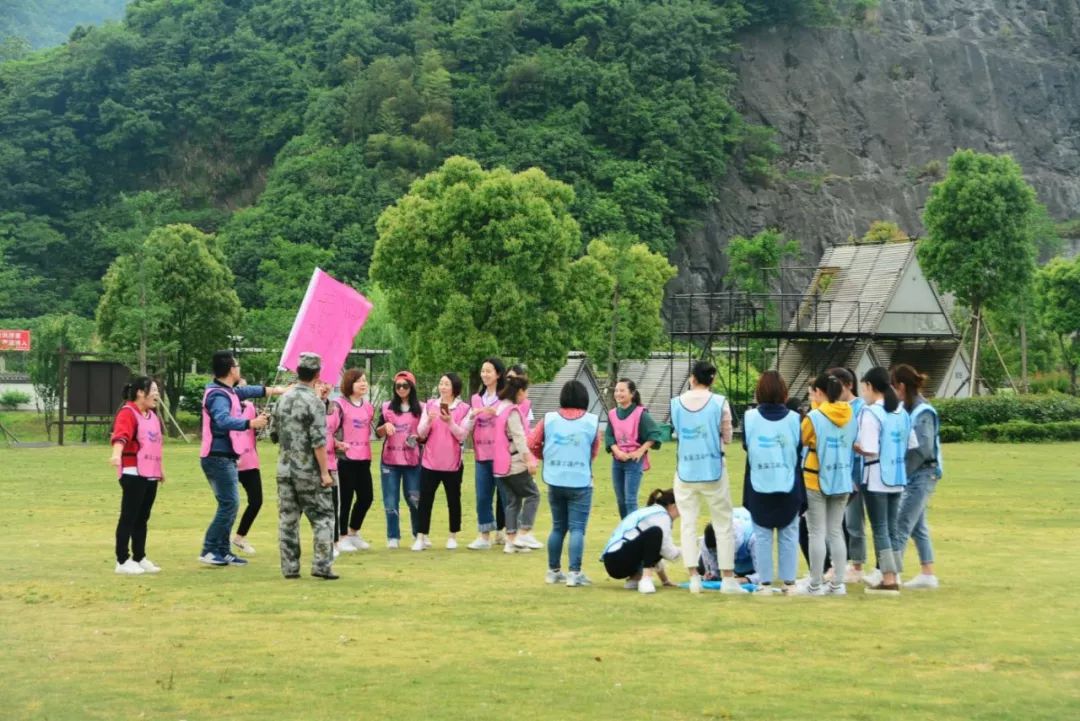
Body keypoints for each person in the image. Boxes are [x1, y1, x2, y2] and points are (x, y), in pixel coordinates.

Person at [199, 350, 285, 567]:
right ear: (231, 369)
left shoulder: (228, 391)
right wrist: (250, 423)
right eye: (237, 365)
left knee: (230, 504)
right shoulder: (218, 395)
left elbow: (249, 390)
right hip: (217, 457)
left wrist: (279, 390)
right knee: (229, 504)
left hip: (226, 457)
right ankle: (209, 549)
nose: (239, 369)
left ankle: (223, 551)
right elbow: (222, 420)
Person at [669, 360, 745, 594]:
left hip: (686, 470)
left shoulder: (676, 403)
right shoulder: (719, 402)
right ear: (712, 380)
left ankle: (694, 577)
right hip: (713, 468)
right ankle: (728, 578)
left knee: (688, 524)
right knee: (723, 524)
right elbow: (728, 435)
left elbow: (677, 432)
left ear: (692, 378)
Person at [528, 380, 601, 587]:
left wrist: (546, 457)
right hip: (580, 481)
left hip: (555, 479)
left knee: (558, 527)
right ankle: (574, 573)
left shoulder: (549, 419)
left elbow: (532, 442)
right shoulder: (591, 421)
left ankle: (553, 571)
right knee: (577, 528)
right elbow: (594, 449)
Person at [272, 352, 338, 580]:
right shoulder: (314, 402)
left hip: (284, 468)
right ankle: (322, 565)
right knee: (323, 517)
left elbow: (273, 434)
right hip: (308, 470)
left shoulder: (283, 399)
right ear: (317, 374)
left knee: (288, 520)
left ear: (297, 371)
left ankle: (290, 568)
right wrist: (325, 473)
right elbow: (318, 442)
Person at [855, 366, 918, 595]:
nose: (863, 394)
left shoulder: (871, 413)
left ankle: (889, 578)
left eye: (864, 388)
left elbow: (869, 448)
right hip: (897, 476)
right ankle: (893, 574)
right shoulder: (901, 412)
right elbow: (912, 444)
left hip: (875, 477)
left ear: (870, 386)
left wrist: (855, 447)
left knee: (880, 528)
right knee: (891, 527)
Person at [741, 370, 802, 595]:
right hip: (789, 482)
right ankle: (789, 583)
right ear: (784, 392)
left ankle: (764, 583)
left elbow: (746, 445)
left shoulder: (749, 417)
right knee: (789, 534)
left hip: (758, 482)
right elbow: (799, 447)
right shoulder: (795, 418)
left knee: (762, 535)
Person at [797, 373, 856, 596]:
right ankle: (837, 584)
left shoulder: (814, 417)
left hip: (816, 478)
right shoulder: (849, 413)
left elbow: (801, 439)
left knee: (816, 532)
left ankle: (815, 584)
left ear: (819, 392)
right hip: (841, 478)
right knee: (835, 531)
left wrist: (815, 409)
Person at [891, 364, 943, 590]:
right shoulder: (909, 408)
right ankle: (927, 573)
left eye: (893, 386)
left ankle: (891, 575)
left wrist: (903, 473)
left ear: (901, 386)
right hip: (916, 473)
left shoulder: (923, 412)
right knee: (917, 525)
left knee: (901, 523)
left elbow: (922, 448)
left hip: (923, 473)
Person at [109, 376, 165, 575]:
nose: (157, 394)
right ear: (141, 392)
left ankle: (139, 557)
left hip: (150, 472)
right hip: (133, 471)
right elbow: (120, 436)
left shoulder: (152, 416)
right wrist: (116, 455)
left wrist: (160, 470)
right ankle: (122, 560)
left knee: (142, 517)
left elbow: (155, 445)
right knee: (129, 516)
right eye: (153, 390)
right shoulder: (128, 412)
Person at [414, 373, 471, 551]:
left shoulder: (464, 409)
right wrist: (429, 421)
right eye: (441, 383)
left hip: (452, 463)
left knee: (453, 500)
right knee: (425, 500)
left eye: (447, 384)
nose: (443, 387)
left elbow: (462, 435)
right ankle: (421, 536)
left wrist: (450, 422)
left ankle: (452, 536)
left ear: (455, 388)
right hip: (430, 462)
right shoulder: (430, 405)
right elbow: (421, 432)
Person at [492, 375, 542, 553]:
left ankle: (511, 540)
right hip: (514, 463)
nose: (526, 395)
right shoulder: (512, 412)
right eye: (526, 391)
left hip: (500, 465)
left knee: (513, 501)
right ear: (519, 391)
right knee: (533, 495)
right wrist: (529, 460)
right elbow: (519, 438)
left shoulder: (500, 408)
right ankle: (524, 532)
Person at [600, 488, 681, 594]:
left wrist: (665, 580)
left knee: (654, 538)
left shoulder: (652, 511)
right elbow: (668, 552)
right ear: (673, 506)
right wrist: (690, 551)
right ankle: (646, 579)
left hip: (613, 561)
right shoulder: (662, 516)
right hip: (618, 559)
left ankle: (635, 579)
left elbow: (654, 550)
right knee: (655, 532)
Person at [376, 370, 423, 549]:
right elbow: (378, 433)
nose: (401, 389)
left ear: (412, 387)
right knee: (390, 500)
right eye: (398, 386)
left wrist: (417, 438)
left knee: (414, 499)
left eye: (405, 385)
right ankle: (393, 536)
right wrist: (385, 426)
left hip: (413, 460)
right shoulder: (386, 407)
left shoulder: (422, 408)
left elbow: (426, 434)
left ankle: (418, 534)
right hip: (390, 461)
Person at [465, 357, 508, 550]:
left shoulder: (505, 398)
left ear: (498, 374)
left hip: (501, 454)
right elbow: (469, 424)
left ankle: (508, 533)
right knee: (483, 496)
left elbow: (512, 420)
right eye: (483, 371)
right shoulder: (476, 399)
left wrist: (496, 413)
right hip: (481, 454)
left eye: (488, 371)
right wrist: (472, 416)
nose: (484, 374)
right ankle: (484, 536)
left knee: (506, 496)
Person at [606, 378, 662, 518]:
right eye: (616, 390)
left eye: (622, 390)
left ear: (632, 393)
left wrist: (640, 451)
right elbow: (609, 436)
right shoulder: (612, 414)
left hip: (634, 462)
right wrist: (617, 452)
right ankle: (625, 528)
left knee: (630, 500)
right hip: (617, 461)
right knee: (620, 500)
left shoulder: (640, 413)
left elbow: (655, 434)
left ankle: (634, 529)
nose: (618, 393)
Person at [334, 369, 375, 552]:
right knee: (346, 499)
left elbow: (371, 430)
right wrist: (337, 444)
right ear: (349, 383)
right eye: (359, 381)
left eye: (365, 380)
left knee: (366, 497)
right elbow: (330, 429)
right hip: (345, 459)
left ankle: (353, 532)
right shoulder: (339, 405)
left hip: (364, 457)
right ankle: (342, 536)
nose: (363, 384)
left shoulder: (368, 407)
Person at [316, 380, 348, 558]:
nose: (325, 387)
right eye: (320, 383)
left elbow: (330, 434)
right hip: (309, 466)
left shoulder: (334, 410)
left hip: (330, 464)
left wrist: (338, 444)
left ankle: (334, 542)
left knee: (333, 505)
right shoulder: (306, 407)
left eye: (328, 383)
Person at [231, 379, 262, 555]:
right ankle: (220, 541)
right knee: (229, 504)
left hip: (250, 461)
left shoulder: (250, 407)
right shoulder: (225, 408)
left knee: (256, 501)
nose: (244, 390)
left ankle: (239, 537)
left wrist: (262, 422)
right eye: (239, 387)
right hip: (230, 462)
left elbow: (256, 431)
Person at [698, 508, 757, 583]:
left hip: (748, 557)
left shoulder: (753, 538)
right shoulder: (706, 541)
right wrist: (712, 574)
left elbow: (764, 574)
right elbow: (714, 573)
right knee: (701, 568)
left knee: (745, 574)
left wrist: (745, 579)